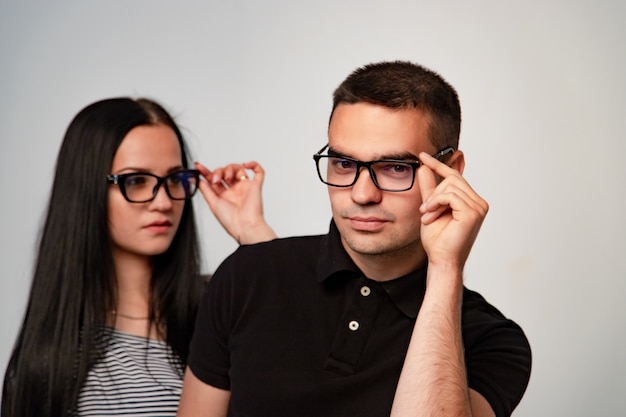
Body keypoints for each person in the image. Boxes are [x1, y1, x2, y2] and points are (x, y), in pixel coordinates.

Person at [177, 61, 532, 417]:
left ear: (449, 173)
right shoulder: (246, 275)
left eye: (395, 167)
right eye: (344, 164)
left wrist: (445, 268)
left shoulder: (493, 340)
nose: (362, 194)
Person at [1, 97, 276, 417]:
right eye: (136, 181)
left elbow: (306, 359)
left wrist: (253, 231)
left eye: (174, 179)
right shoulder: (50, 359)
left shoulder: (219, 306)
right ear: (87, 189)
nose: (162, 202)